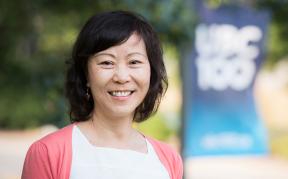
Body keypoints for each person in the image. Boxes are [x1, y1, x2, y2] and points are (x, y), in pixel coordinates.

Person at [22, 10, 183, 179]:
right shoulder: (49, 153)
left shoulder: (169, 160)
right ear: (86, 74)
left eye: (134, 62)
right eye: (107, 62)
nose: (121, 77)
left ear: (151, 72)